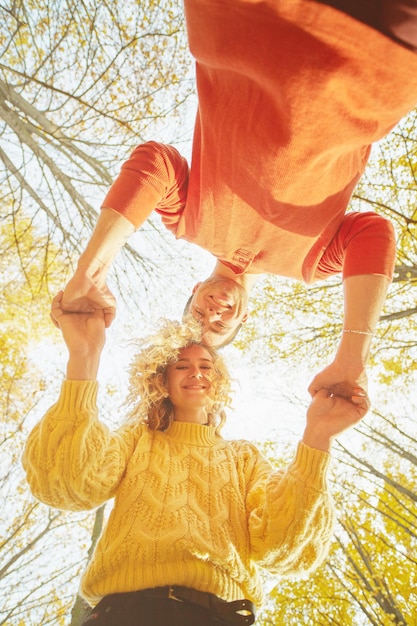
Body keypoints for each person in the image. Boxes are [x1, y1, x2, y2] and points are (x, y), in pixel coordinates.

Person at [60, 0, 417, 396]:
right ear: (245, 317)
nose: (212, 314)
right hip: (375, 64)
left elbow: (154, 161)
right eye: (219, 326)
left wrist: (91, 271)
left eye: (199, 315)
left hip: (249, 20)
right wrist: (353, 355)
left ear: (195, 289)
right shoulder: (310, 265)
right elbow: (375, 234)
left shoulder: (186, 223)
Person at [23, 295, 369, 625]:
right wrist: (83, 357)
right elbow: (66, 482)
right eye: (182, 366)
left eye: (206, 366)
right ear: (162, 381)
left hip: (221, 616)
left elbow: (285, 548)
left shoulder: (242, 458)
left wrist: (318, 436)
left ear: (218, 384)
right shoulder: (137, 440)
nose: (197, 373)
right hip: (126, 614)